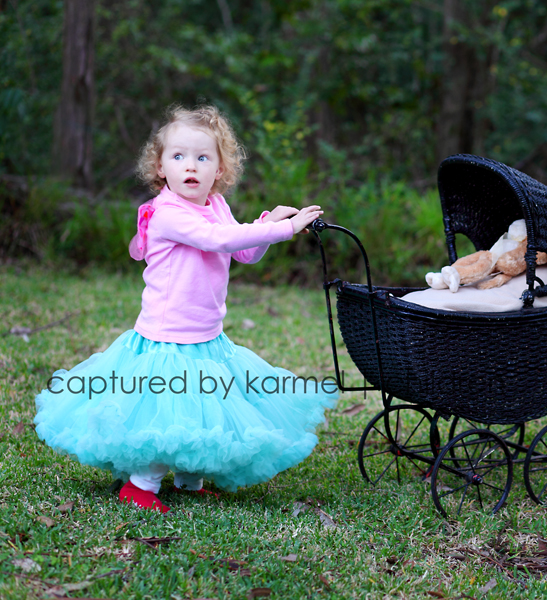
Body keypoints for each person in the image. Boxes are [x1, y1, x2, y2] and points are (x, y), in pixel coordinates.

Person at [34, 105, 337, 513]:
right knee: (167, 415)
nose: (190, 166)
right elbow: (217, 241)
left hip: (206, 336)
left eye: (202, 157)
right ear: (160, 167)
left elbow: (243, 250)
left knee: (203, 412)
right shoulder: (168, 214)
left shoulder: (215, 205)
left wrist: (267, 223)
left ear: (220, 169)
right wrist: (285, 229)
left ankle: (188, 481)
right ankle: (141, 486)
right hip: (166, 340)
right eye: (178, 156)